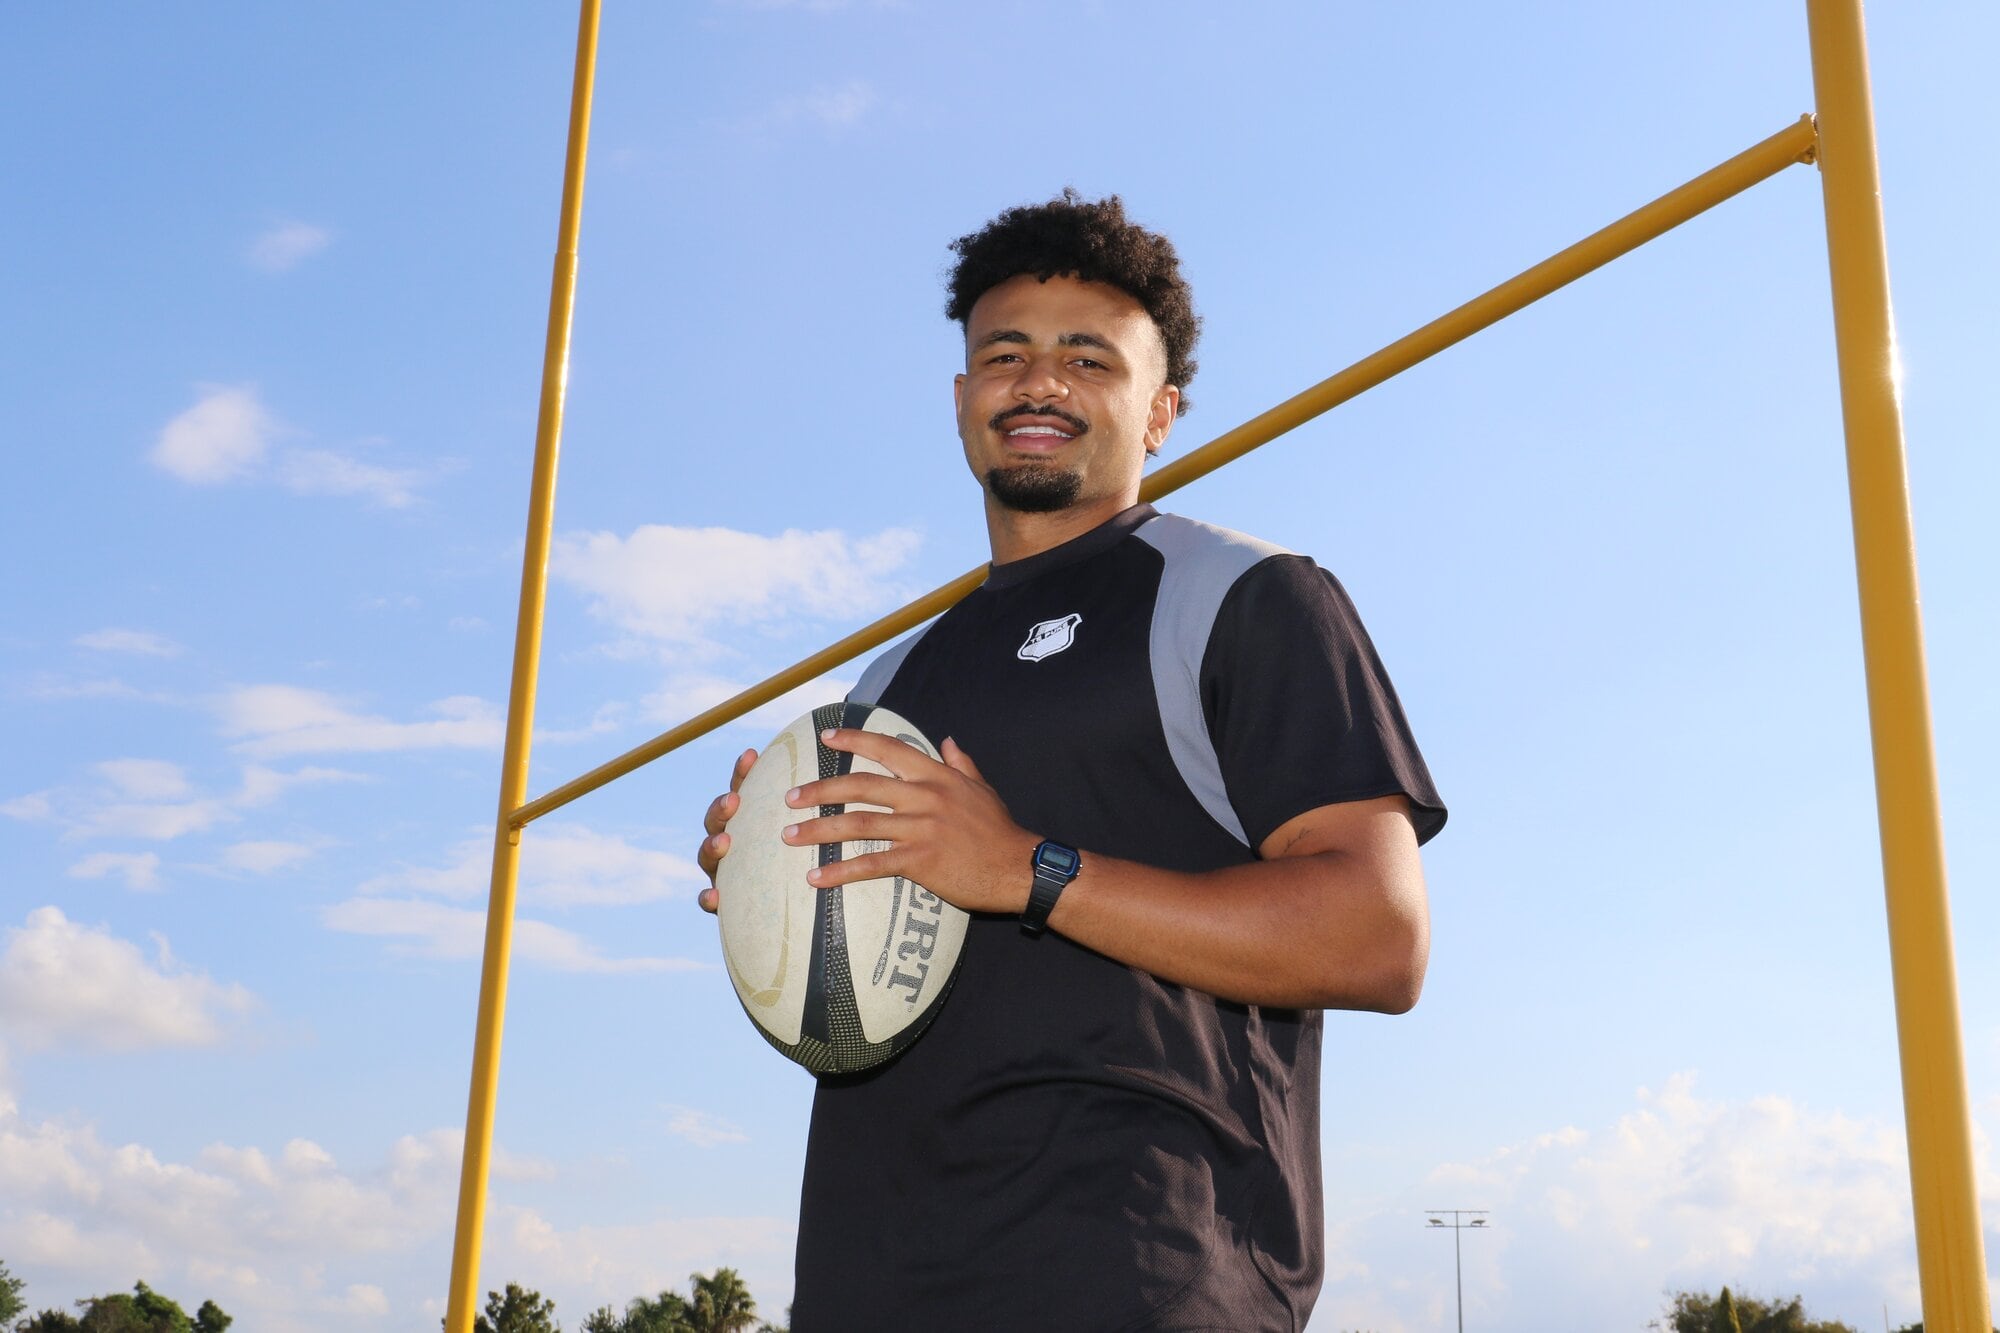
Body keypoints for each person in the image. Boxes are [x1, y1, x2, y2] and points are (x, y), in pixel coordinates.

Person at [698, 191, 1446, 1331]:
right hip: (871, 1279)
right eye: (1005, 355)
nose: (1039, 382)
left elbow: (1377, 937)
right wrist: (779, 885)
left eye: (1089, 359)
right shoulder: (887, 685)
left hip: (1140, 1273)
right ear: (962, 398)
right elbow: (865, 1006)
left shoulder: (1243, 596)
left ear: (1160, 412)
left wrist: (1027, 869)